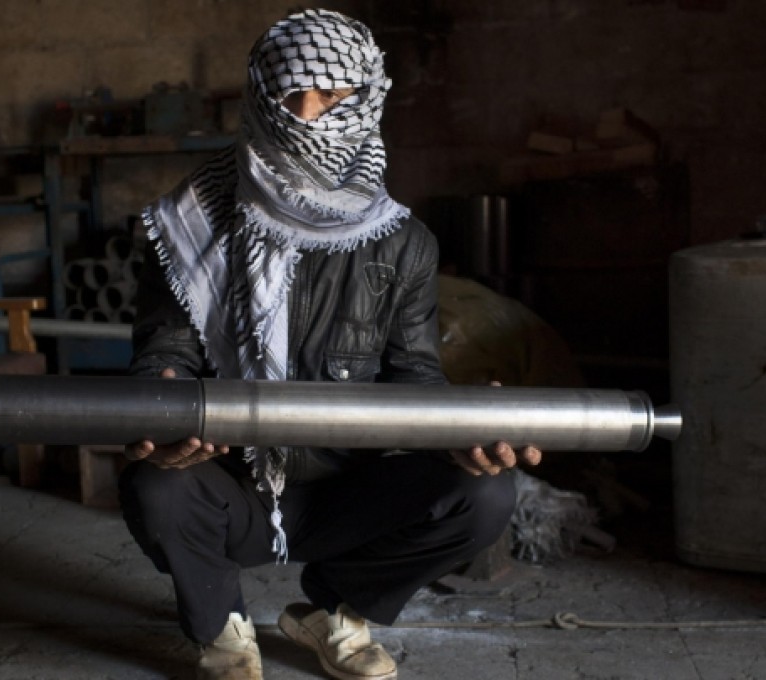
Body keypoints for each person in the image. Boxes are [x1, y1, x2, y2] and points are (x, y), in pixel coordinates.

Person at [119, 8, 541, 680]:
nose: (310, 118)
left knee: (485, 495)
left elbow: (415, 379)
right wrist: (158, 411)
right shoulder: (189, 223)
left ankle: (336, 612)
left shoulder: (404, 245)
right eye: (292, 97)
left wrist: (461, 426)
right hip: (232, 485)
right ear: (262, 98)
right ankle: (221, 624)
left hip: (345, 490)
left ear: (367, 100)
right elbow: (162, 355)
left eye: (335, 97)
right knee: (154, 486)